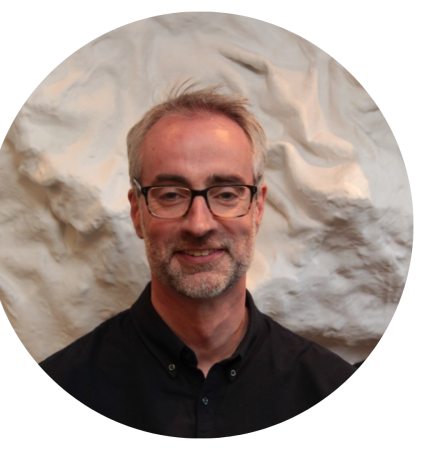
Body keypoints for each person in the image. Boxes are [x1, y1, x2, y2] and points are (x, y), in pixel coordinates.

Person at [39, 84, 357, 437]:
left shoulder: (327, 386)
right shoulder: (66, 383)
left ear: (258, 208)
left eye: (226, 194)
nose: (200, 224)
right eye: (172, 195)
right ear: (137, 211)